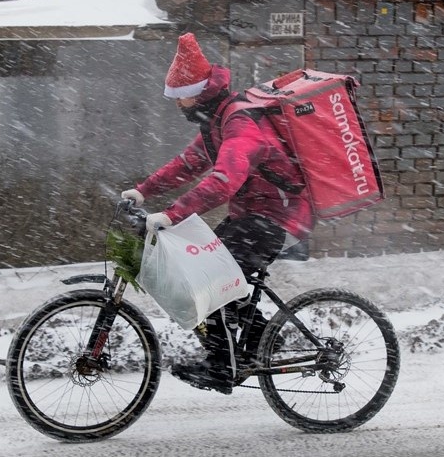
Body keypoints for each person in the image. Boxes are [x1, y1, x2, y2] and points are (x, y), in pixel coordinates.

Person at [121, 32, 313, 394]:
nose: (179, 106)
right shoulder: (217, 123)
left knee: (213, 278)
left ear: (199, 92)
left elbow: (224, 180)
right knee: (207, 273)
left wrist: (172, 214)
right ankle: (259, 344)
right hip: (253, 215)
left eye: (182, 97)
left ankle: (222, 366)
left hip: (278, 217)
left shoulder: (239, 123)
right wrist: (143, 191)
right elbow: (187, 164)